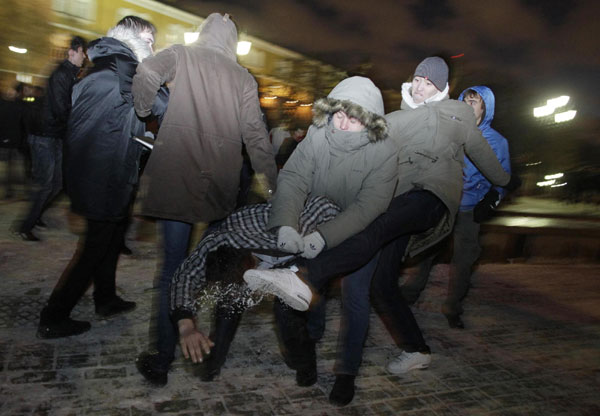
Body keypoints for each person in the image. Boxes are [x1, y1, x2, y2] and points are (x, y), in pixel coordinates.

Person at [243, 57, 520, 405]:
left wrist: (506, 182)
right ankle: (417, 348)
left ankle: (339, 355)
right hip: (395, 203)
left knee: (372, 247)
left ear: (443, 87)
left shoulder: (457, 115)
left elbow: (483, 155)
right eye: (416, 79)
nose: (420, 86)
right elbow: (362, 156)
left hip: (431, 195)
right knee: (380, 283)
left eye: (429, 82)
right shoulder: (392, 122)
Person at [132, 13, 278, 387]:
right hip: (219, 186)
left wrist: (145, 111)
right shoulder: (243, 78)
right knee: (216, 269)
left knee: (173, 269)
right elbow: (257, 139)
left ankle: (162, 360)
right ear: (231, 41)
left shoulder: (181, 54)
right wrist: (276, 187)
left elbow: (147, 72)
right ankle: (211, 356)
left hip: (176, 178)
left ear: (204, 34)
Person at [241, 76, 397, 404]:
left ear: (369, 123)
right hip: (317, 217)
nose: (342, 122)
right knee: (302, 291)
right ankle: (306, 353)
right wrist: (286, 224)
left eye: (353, 118)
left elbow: (370, 205)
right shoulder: (317, 136)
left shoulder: (383, 152)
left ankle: (347, 372)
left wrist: (324, 238)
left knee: (356, 297)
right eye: (339, 113)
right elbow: (295, 179)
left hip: (359, 230)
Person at [37, 16, 160, 339]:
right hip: (104, 173)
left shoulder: (107, 64)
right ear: (132, 38)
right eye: (149, 40)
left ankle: (106, 298)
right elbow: (163, 105)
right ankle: (54, 315)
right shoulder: (126, 70)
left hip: (100, 169)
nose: (153, 47)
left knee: (110, 237)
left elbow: (119, 117)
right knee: (94, 248)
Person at [401, 86, 511, 329]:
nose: (468, 106)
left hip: (470, 209)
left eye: (474, 102)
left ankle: (453, 307)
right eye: (465, 101)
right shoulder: (451, 131)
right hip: (444, 201)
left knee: (463, 260)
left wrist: (492, 199)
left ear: (485, 108)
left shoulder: (496, 141)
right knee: (426, 249)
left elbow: (503, 177)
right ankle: (410, 292)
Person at [18, 36, 86, 241]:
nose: (85, 58)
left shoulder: (71, 74)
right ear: (72, 52)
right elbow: (60, 108)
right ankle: (25, 226)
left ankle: (36, 215)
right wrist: (78, 124)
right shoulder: (61, 75)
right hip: (44, 136)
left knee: (57, 183)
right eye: (83, 53)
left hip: (54, 135)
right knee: (47, 184)